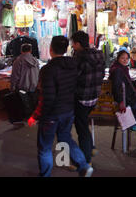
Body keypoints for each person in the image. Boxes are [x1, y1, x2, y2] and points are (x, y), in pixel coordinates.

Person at [28, 36, 93, 177]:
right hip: (68, 111)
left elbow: (47, 96)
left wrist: (36, 115)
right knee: (65, 139)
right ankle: (83, 165)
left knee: (45, 147)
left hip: (52, 113)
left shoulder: (48, 70)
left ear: (50, 49)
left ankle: (45, 174)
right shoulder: (73, 65)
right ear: (66, 49)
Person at [71, 31, 105, 165]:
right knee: (83, 123)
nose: (72, 46)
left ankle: (86, 160)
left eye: (73, 43)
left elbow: (74, 78)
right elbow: (102, 74)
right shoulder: (99, 54)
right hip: (94, 97)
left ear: (78, 44)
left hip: (81, 98)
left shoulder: (79, 58)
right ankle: (90, 148)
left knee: (82, 128)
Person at [109, 50, 136, 130]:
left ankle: (130, 118)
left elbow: (128, 83)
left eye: (127, 58)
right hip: (125, 99)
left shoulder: (122, 68)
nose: (125, 60)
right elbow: (116, 88)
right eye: (122, 58)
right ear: (118, 58)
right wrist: (121, 102)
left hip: (127, 95)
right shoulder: (118, 70)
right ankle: (131, 124)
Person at [10, 43, 40, 118]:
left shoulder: (18, 61)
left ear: (21, 51)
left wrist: (12, 87)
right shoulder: (35, 61)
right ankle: (32, 117)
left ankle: (25, 117)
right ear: (30, 50)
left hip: (22, 88)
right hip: (34, 86)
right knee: (33, 103)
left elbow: (15, 76)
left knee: (24, 104)